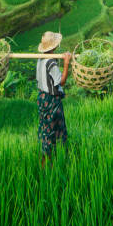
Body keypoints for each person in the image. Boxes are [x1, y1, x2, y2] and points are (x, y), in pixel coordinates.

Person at [36, 31, 72, 165]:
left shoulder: (40, 58)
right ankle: (46, 162)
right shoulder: (51, 63)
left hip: (42, 97)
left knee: (46, 126)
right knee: (52, 129)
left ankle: (52, 157)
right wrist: (67, 63)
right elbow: (61, 81)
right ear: (54, 47)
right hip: (51, 100)